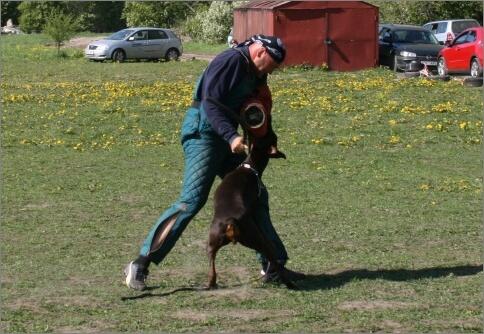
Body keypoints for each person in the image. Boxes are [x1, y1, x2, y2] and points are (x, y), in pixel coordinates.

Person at [124, 34, 306, 291]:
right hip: (204, 135)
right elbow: (210, 102)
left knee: (256, 193)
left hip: (228, 137)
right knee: (192, 201)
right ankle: (141, 263)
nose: (272, 72)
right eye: (273, 66)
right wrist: (231, 136)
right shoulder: (230, 60)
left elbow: (255, 103)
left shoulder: (256, 70)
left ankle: (272, 264)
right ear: (261, 53)